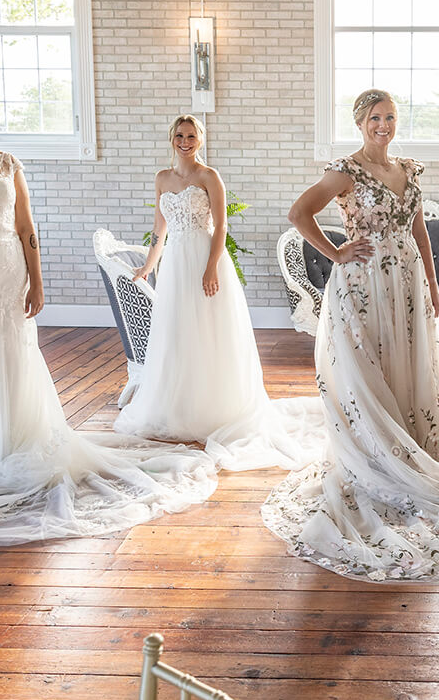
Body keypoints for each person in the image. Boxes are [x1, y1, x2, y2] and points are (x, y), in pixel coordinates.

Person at [0, 79, 217, 545]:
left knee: (12, 358)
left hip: (8, 276)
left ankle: (13, 442)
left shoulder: (8, 163)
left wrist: (38, 279)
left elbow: (26, 226)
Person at [261, 89, 439, 583]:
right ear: (359, 122)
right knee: (362, 375)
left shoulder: (408, 170)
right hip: (362, 284)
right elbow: (298, 213)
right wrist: (337, 252)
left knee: (407, 368)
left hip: (405, 283)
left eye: (390, 117)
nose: (383, 125)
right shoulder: (345, 170)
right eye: (375, 118)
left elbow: (418, 234)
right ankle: (374, 457)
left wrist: (433, 288)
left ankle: (410, 450)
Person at [114, 115, 323, 470]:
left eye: (191, 136)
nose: (185, 141)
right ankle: (178, 405)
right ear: (171, 139)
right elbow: (158, 229)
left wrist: (211, 267)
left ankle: (215, 406)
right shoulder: (162, 179)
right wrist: (149, 265)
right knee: (179, 333)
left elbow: (221, 225)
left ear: (201, 139)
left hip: (203, 259)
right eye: (179, 135)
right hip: (175, 266)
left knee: (209, 331)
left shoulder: (210, 177)